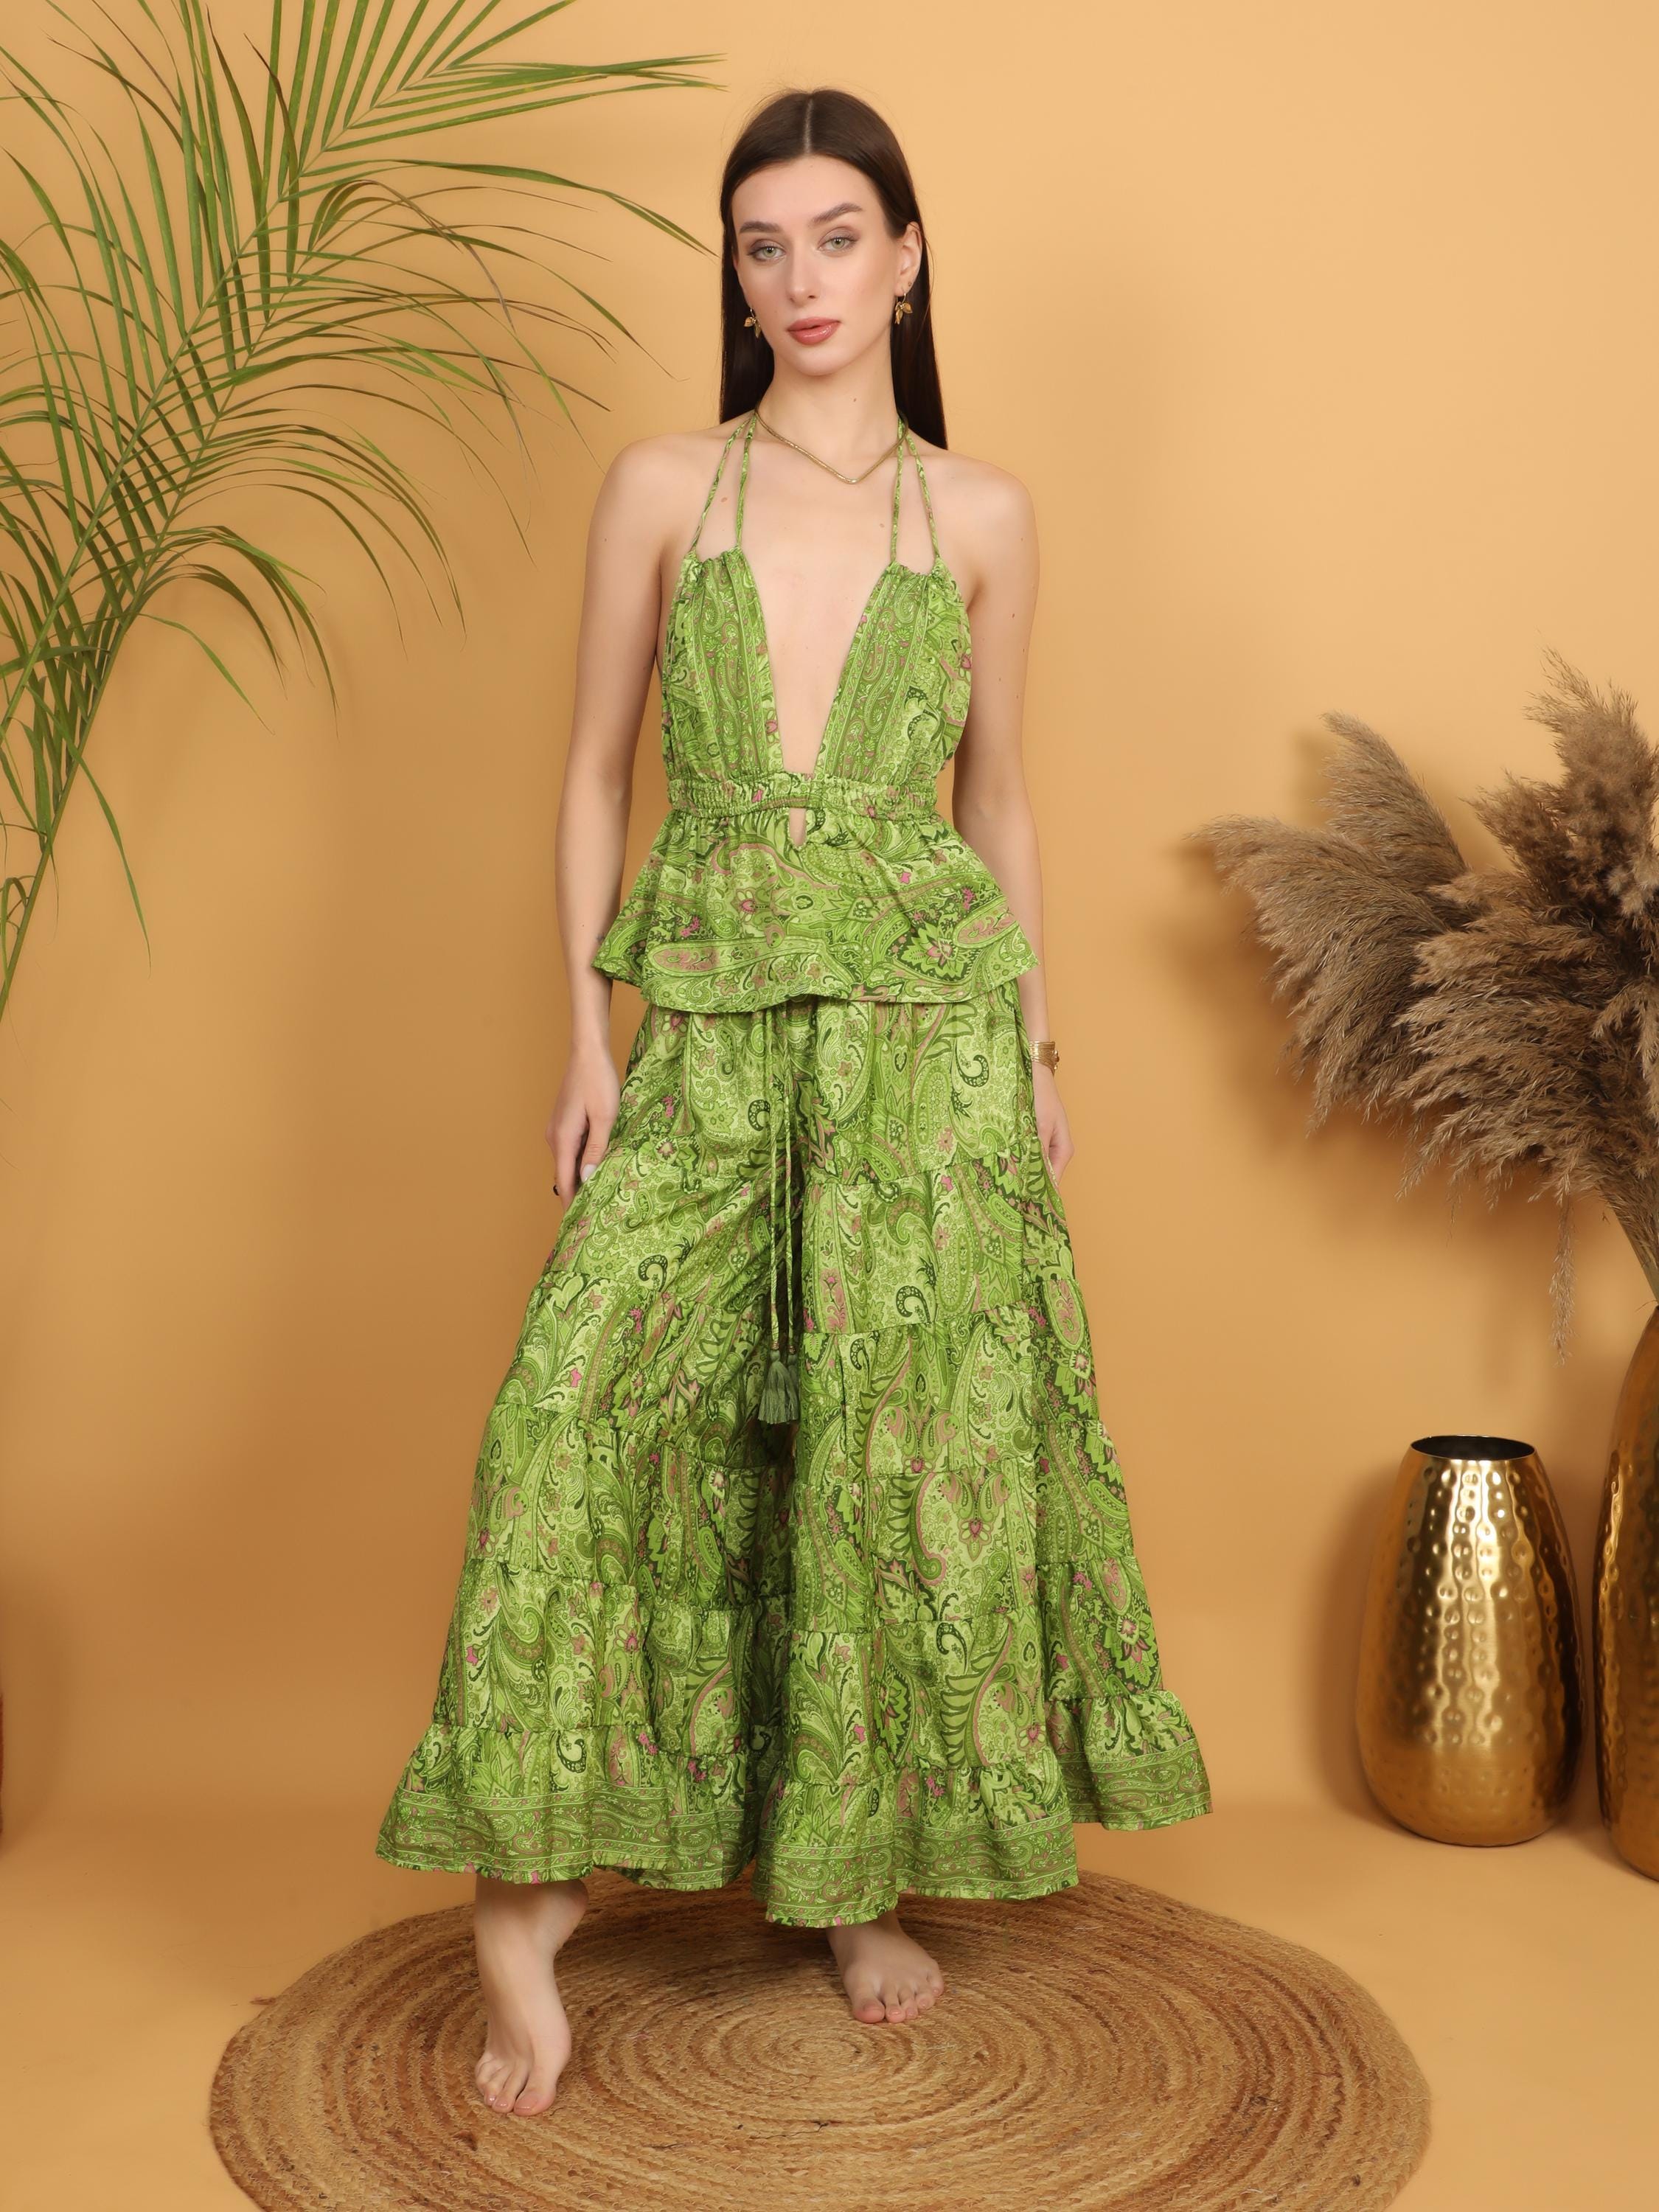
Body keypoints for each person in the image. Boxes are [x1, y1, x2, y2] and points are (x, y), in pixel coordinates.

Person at [375, 83, 1213, 2118]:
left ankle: (853, 1891)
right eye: (764, 246)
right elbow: (595, 772)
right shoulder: (668, 486)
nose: (800, 278)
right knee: (580, 1406)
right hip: (711, 1018)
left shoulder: (984, 514)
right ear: (736, 278)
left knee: (880, 1455)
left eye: (837, 237)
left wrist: (1037, 1052)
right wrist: (589, 1037)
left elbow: (999, 799)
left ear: (907, 258)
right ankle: (521, 1905)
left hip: (930, 1031)